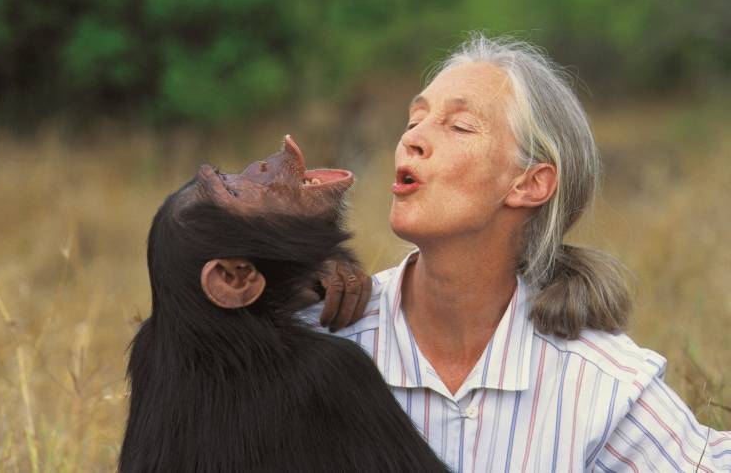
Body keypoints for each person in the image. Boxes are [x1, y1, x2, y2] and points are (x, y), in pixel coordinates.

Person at [307, 34, 730, 471]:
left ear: (529, 184)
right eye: (414, 120)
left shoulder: (603, 386)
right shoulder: (319, 337)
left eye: (459, 126)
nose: (412, 140)